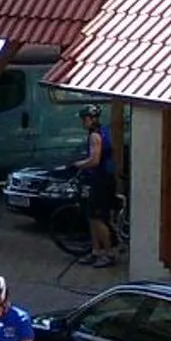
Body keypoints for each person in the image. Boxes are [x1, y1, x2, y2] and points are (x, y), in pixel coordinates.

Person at [70, 103, 118, 263]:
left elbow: (94, 160)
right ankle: (96, 251)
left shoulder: (95, 136)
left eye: (84, 119)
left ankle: (109, 254)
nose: (83, 122)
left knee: (98, 218)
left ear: (92, 119)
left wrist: (78, 165)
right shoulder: (102, 131)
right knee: (91, 217)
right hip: (101, 178)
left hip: (101, 180)